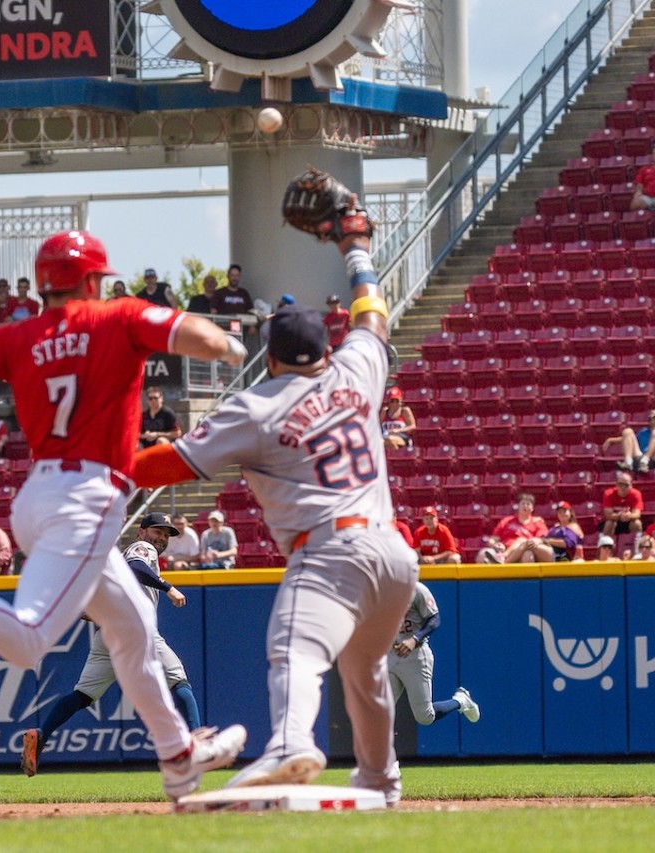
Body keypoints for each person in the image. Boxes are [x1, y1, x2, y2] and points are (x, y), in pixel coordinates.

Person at [0, 228, 249, 799]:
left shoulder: (16, 336)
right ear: (91, 279)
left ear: (43, 284)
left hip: (39, 494)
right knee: (30, 640)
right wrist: (229, 345)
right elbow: (198, 336)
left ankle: (178, 758)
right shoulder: (120, 317)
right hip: (87, 498)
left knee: (133, 626)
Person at [128, 189, 416, 799]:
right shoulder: (358, 366)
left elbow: (169, 465)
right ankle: (382, 782)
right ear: (324, 347)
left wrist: (111, 463)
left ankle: (290, 743)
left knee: (295, 649)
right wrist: (356, 246)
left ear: (272, 357)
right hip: (394, 556)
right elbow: (372, 315)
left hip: (331, 552)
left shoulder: (257, 406)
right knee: (365, 672)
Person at [20, 511, 199, 777]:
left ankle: (42, 734)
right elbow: (138, 567)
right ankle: (199, 745)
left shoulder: (116, 560)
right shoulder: (142, 548)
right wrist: (168, 587)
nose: (161, 538)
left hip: (109, 631)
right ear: (142, 532)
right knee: (179, 680)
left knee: (82, 695)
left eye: (165, 534)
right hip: (136, 628)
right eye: (157, 531)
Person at [388, 582, 479, 731]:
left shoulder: (417, 589)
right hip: (390, 655)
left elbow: (435, 619)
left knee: (425, 716)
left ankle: (460, 701)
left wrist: (414, 639)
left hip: (415, 656)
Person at [477, 493, 552, 564]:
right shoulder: (507, 521)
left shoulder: (537, 522)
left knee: (526, 550)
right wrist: (495, 544)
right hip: (504, 548)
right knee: (483, 554)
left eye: (528, 504)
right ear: (518, 506)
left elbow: (539, 539)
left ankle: (503, 560)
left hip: (524, 550)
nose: (525, 506)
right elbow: (492, 539)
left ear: (532, 508)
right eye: (523, 503)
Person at [602, 409, 655, 473]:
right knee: (627, 431)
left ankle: (645, 460)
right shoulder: (643, 432)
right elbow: (628, 439)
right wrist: (611, 440)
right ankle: (628, 462)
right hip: (640, 458)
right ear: (650, 421)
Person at [599, 473, 644, 546]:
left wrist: (629, 516)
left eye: (626, 485)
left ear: (631, 485)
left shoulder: (636, 494)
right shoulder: (608, 494)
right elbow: (608, 514)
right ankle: (605, 546)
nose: (623, 487)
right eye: (620, 484)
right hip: (614, 521)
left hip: (628, 521)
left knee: (637, 523)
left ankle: (638, 547)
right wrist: (620, 516)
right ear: (616, 484)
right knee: (609, 523)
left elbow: (637, 514)